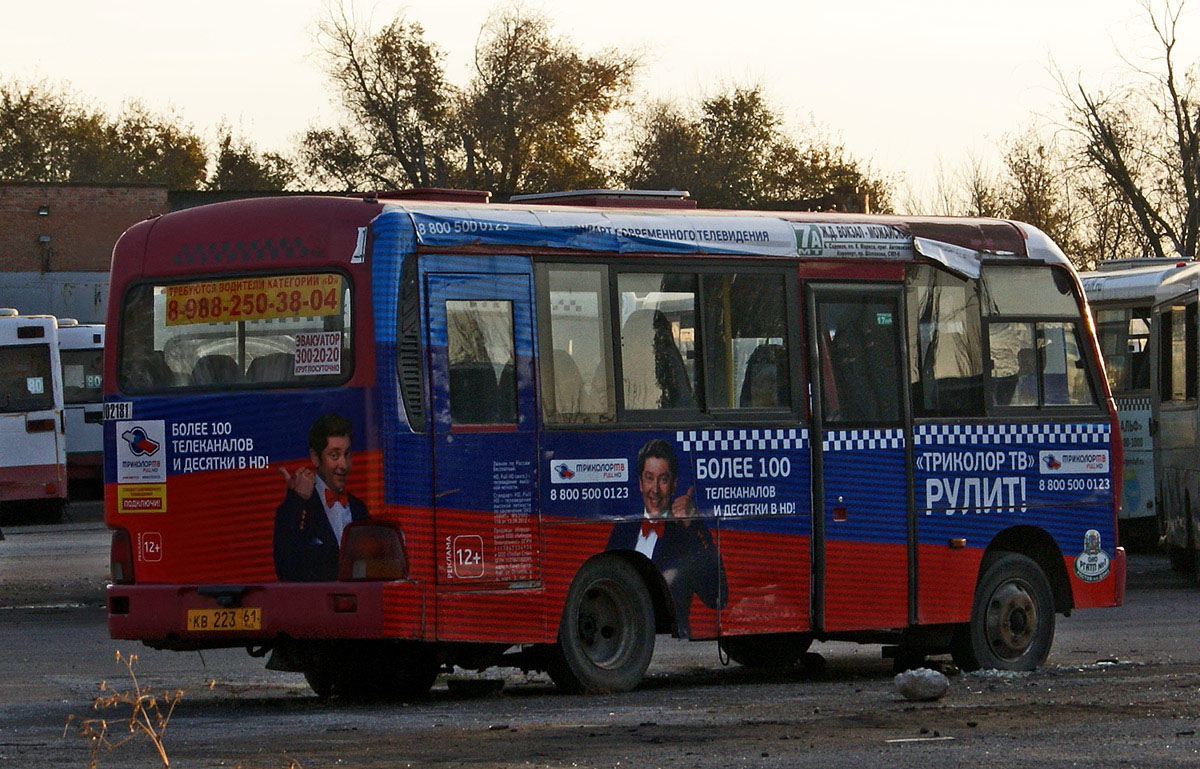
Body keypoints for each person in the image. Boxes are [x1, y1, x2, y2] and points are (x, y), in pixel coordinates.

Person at [606, 438, 724, 635]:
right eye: (649, 478)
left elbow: (717, 597)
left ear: (674, 484)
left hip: (669, 642)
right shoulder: (622, 530)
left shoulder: (686, 532)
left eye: (663, 479)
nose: (655, 490)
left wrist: (693, 524)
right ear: (640, 483)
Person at [273, 413, 370, 582]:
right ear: (315, 458)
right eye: (334, 455)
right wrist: (298, 501)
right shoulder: (297, 505)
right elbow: (285, 569)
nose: (344, 465)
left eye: (347, 454)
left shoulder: (359, 508)